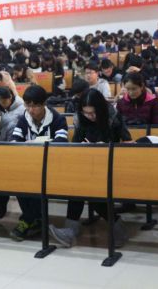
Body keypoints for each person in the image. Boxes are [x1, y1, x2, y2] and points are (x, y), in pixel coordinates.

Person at [49, 89, 131, 248]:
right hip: (88, 167)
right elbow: (75, 145)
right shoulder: (81, 119)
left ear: (101, 109)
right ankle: (74, 230)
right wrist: (82, 146)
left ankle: (75, 230)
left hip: (111, 166)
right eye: (86, 113)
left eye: (93, 113)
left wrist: (106, 146)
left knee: (87, 190)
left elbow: (128, 142)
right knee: (79, 187)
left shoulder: (113, 116)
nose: (90, 116)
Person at [10, 85, 69, 241]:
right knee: (19, 182)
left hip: (52, 167)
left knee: (38, 182)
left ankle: (26, 220)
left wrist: (35, 143)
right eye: (27, 105)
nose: (31, 110)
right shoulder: (23, 119)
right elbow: (15, 141)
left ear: (44, 104)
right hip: (29, 166)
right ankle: (35, 219)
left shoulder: (57, 119)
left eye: (35, 106)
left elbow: (61, 143)